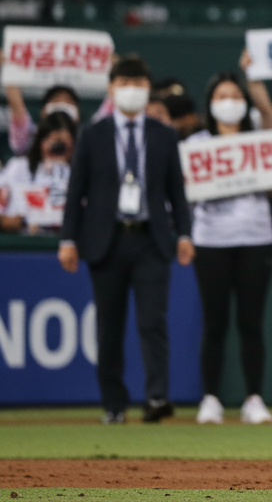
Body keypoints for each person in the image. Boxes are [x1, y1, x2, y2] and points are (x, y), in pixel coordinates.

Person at [58, 55, 194, 424]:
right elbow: (76, 192)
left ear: (147, 90)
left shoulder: (163, 134)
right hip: (107, 239)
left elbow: (176, 193)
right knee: (110, 325)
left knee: (153, 321)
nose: (131, 90)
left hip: (151, 239)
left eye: (138, 84)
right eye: (124, 83)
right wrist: (67, 239)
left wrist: (184, 233)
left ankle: (156, 397)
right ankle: (114, 404)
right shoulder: (93, 133)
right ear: (111, 89)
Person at [190, 72, 272, 426]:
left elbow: (271, 117)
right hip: (211, 238)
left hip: (256, 238)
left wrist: (254, 78)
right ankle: (211, 398)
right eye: (221, 95)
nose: (228, 101)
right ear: (211, 103)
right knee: (214, 323)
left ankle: (254, 399)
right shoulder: (197, 143)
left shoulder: (260, 139)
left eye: (235, 94)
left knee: (251, 323)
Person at [0, 112, 76, 234]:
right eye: (54, 142)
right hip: (20, 246)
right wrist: (6, 221)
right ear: (41, 142)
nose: (58, 149)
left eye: (64, 145)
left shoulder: (81, 175)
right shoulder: (19, 168)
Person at [6, 82, 81, 156]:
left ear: (78, 114)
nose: (62, 104)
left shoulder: (85, 140)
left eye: (68, 101)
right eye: (56, 100)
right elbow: (17, 108)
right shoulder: (30, 136)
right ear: (43, 112)